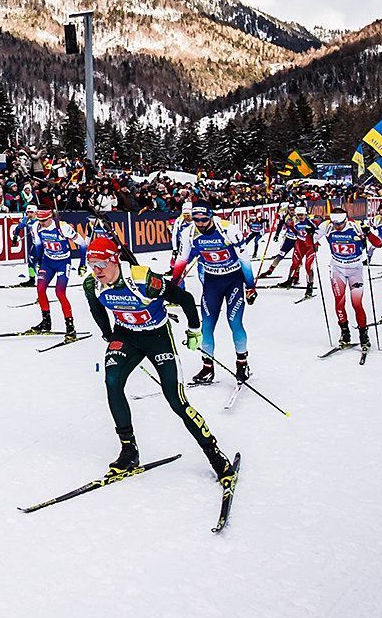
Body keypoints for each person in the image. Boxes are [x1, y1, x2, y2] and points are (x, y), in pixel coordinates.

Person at [82, 237, 236, 487]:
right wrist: (108, 334)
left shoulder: (142, 279)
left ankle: (215, 455)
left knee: (175, 399)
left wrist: (194, 330)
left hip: (157, 337)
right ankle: (128, 450)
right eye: (92, 265)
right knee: (112, 382)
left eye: (101, 264)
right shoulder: (92, 284)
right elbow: (96, 309)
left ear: (115, 260)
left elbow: (184, 298)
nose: (96, 270)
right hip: (126, 336)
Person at [178, 205, 256, 384]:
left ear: (211, 217)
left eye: (204, 219)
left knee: (234, 321)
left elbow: (244, 259)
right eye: (196, 219)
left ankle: (242, 364)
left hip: (233, 281)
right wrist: (174, 284)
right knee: (206, 325)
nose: (200, 223)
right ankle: (207, 368)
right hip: (212, 282)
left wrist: (250, 286)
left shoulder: (228, 229)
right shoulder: (189, 233)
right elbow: (182, 260)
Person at [317, 207, 377, 349]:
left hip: (355, 270)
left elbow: (378, 244)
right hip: (337, 269)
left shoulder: (356, 226)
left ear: (346, 220)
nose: (337, 227)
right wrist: (309, 233)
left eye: (340, 224)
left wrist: (368, 233)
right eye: (335, 224)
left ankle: (363, 335)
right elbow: (309, 241)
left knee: (357, 304)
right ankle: (345, 333)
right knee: (339, 302)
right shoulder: (327, 226)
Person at [24, 208, 82, 337]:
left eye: (44, 220)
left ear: (50, 217)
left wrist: (82, 264)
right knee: (40, 289)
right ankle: (46, 322)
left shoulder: (63, 227)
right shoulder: (36, 226)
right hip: (48, 262)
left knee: (60, 292)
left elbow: (82, 244)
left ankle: (70, 327)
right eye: (39, 220)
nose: (42, 223)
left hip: (63, 263)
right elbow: (38, 245)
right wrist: (39, 261)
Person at [260, 206, 317, 298]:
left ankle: (308, 286)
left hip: (309, 246)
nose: (300, 217)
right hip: (295, 242)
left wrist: (313, 232)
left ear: (305, 214)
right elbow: (283, 225)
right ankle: (288, 279)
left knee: (308, 267)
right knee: (294, 262)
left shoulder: (310, 221)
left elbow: (319, 228)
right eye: (298, 215)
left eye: (302, 215)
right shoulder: (290, 219)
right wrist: (277, 234)